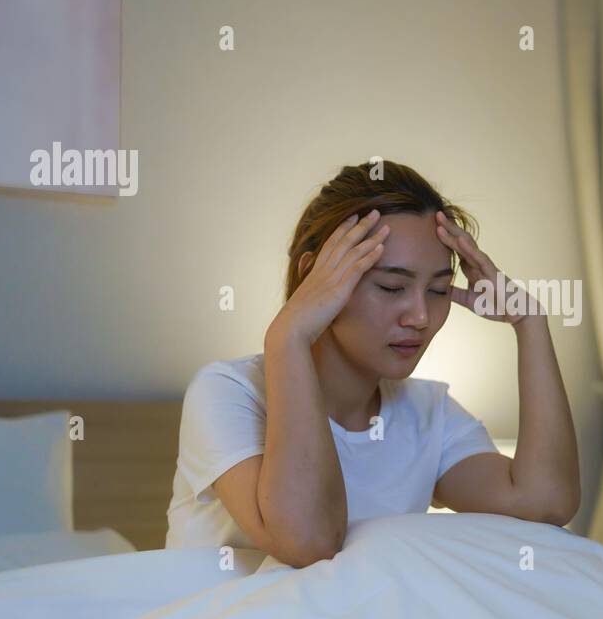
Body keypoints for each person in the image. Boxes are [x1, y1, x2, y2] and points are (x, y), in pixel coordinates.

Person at [166, 160, 581, 566]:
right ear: (313, 276)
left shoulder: (427, 412)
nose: (420, 316)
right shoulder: (226, 394)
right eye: (392, 286)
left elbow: (544, 503)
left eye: (438, 290)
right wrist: (288, 338)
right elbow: (307, 542)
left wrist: (530, 324)